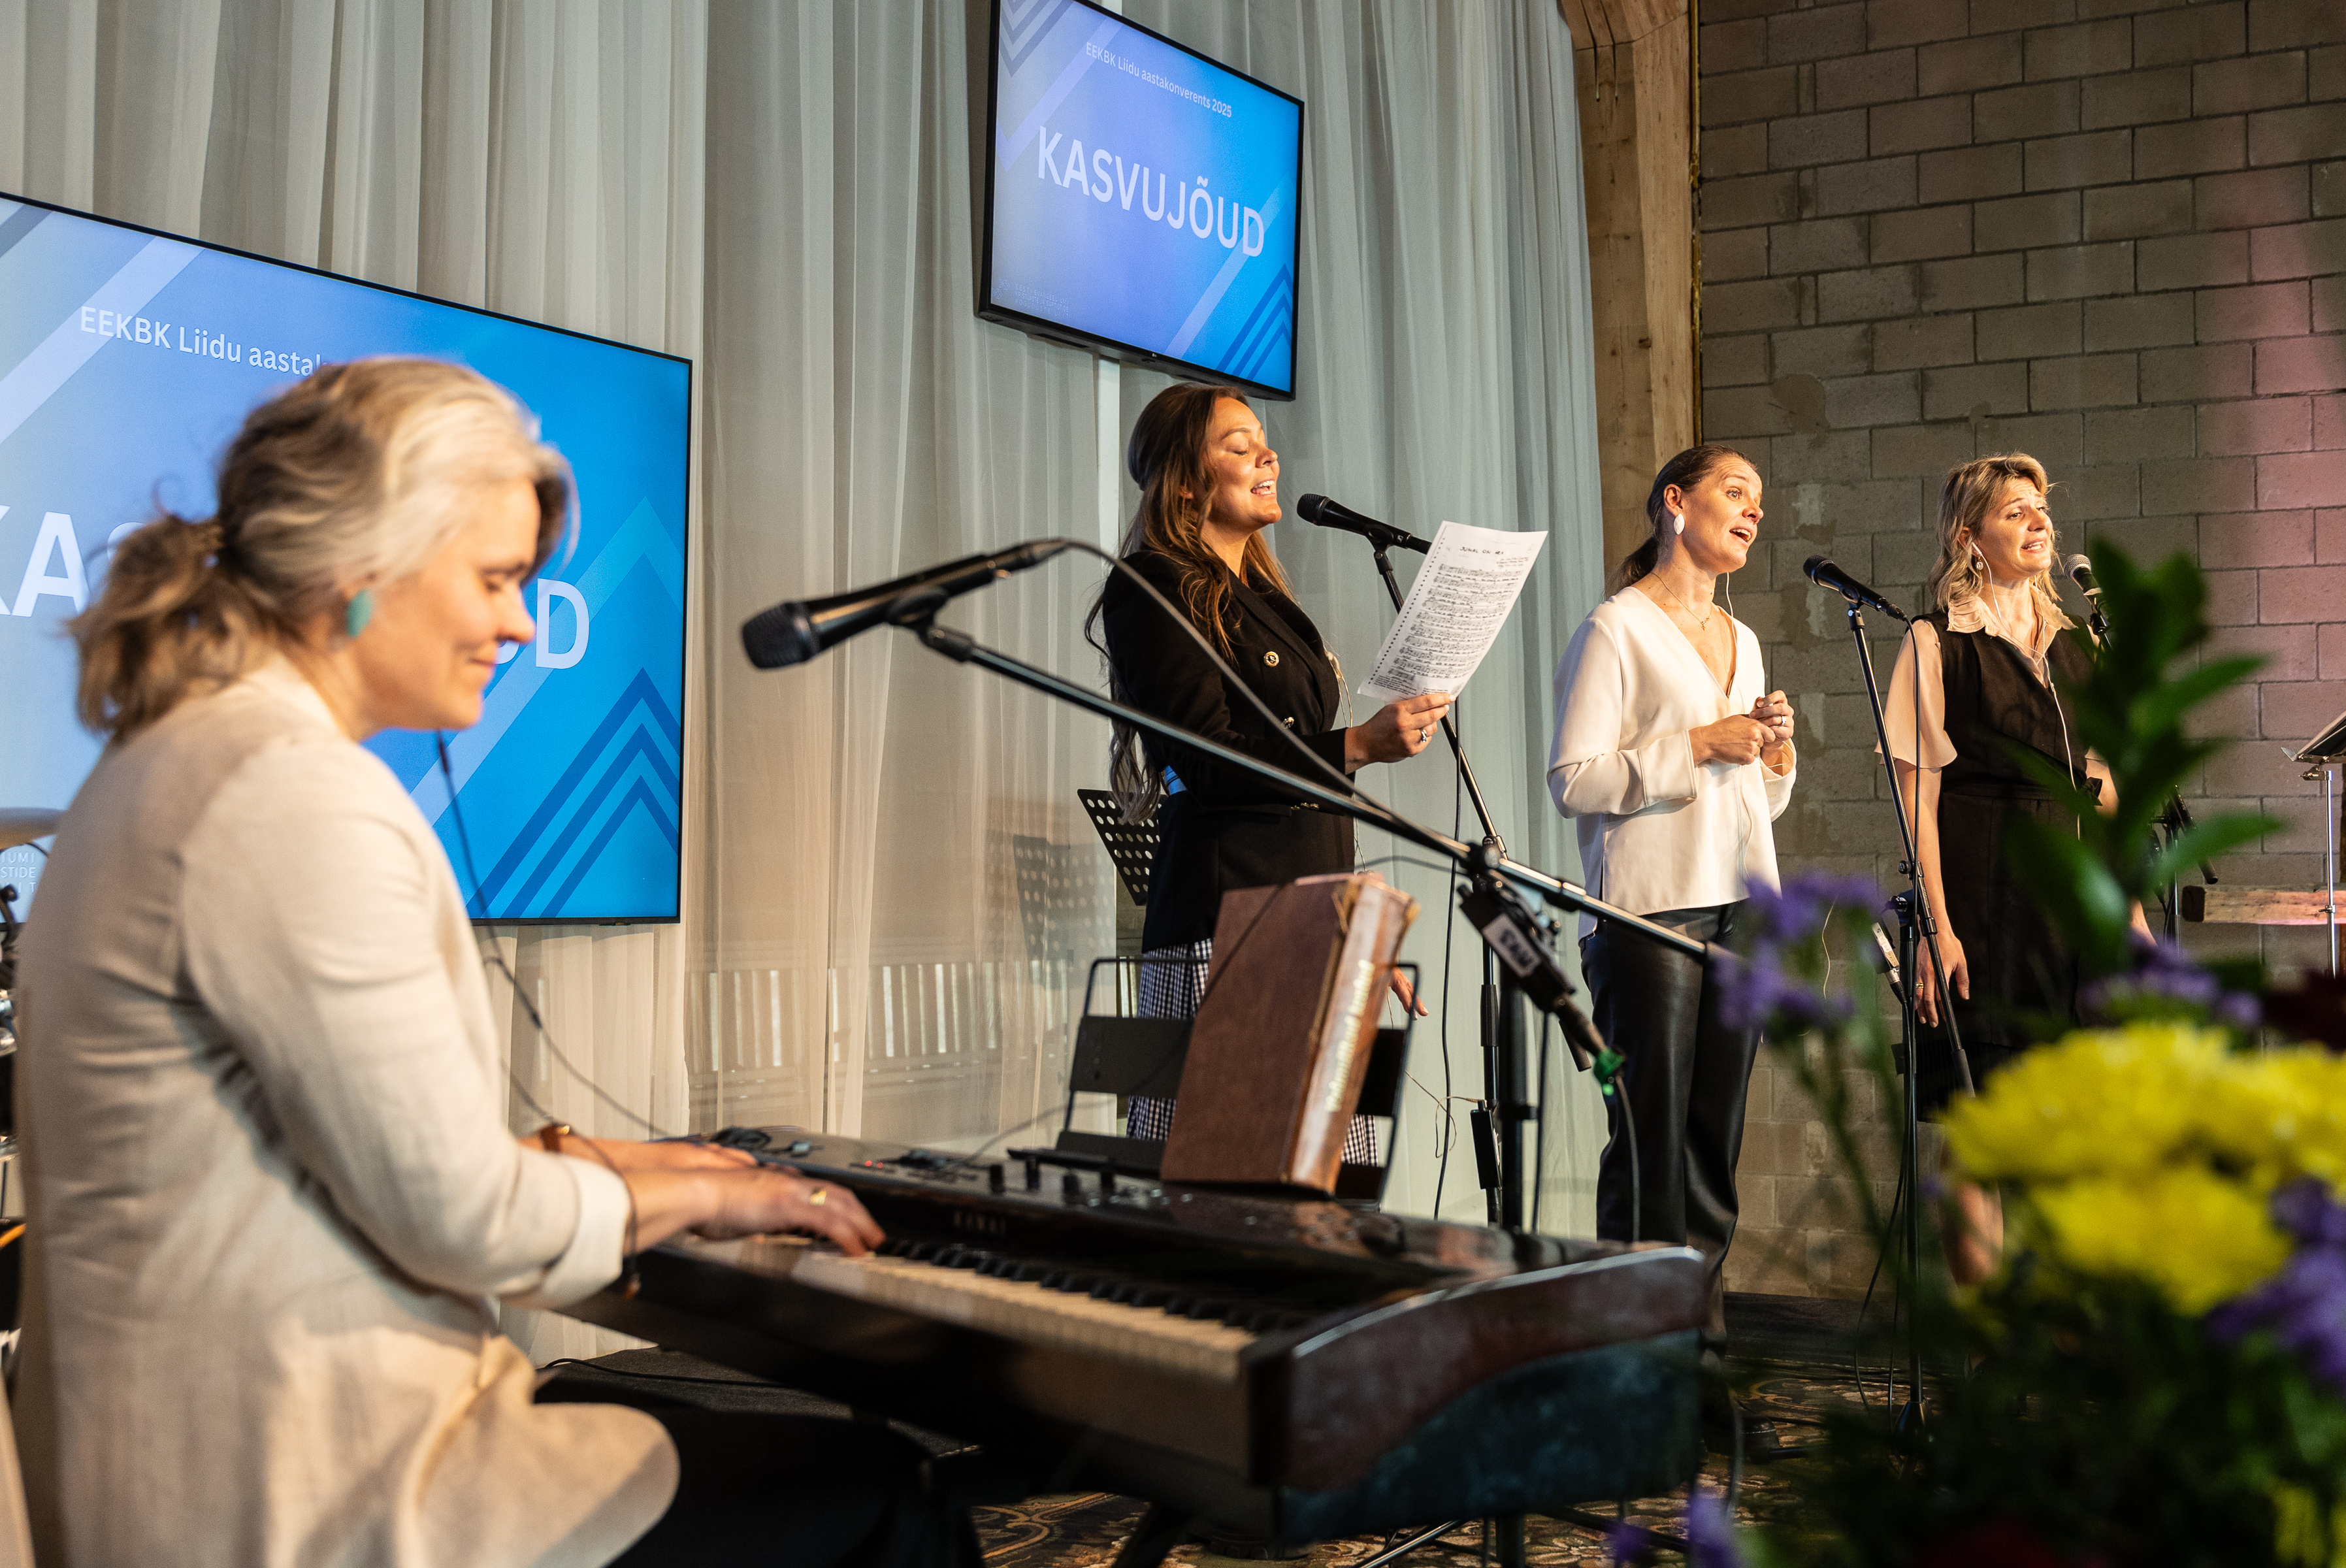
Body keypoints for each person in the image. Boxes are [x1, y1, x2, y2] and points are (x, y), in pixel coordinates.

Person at [14, 359, 979, 1568]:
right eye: (496, 579)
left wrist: (642, 1163)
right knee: (891, 1496)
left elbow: (332, 1161)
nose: (523, 623)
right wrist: (713, 1195)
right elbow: (463, 1218)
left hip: (195, 1465)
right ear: (359, 567)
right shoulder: (290, 795)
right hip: (305, 1494)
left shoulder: (173, 760)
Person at [1088, 382, 1446, 1151]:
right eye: (1239, 445)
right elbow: (1209, 761)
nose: (1269, 456)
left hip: (1313, 920)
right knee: (1229, 1175)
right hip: (1231, 923)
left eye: (1264, 441)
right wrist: (1356, 746)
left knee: (1324, 1178)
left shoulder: (1266, 600)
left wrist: (1353, 910)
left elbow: (1304, 783)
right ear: (1187, 481)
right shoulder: (1152, 587)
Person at [1546, 444, 1795, 1361]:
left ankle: (1701, 1357)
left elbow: (1754, 797)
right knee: (1650, 1147)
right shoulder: (1614, 628)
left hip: (1743, 908)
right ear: (1674, 504)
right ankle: (1636, 1366)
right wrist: (1697, 743)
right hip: (1649, 914)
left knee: (1712, 1150)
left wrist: (1773, 755)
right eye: (1735, 491)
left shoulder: (1744, 638)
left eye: (1759, 499)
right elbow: (1573, 779)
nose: (1753, 510)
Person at [1882, 452, 2147, 1287]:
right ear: (1969, 538)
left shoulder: (2078, 644)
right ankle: (1985, 1340)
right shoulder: (1936, 642)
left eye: (2041, 509)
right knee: (1981, 1132)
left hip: (2073, 902)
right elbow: (1916, 800)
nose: (2038, 523)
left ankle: (2062, 1332)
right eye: (2014, 511)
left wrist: (2133, 914)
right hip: (1982, 895)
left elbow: (2105, 789)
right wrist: (1938, 928)